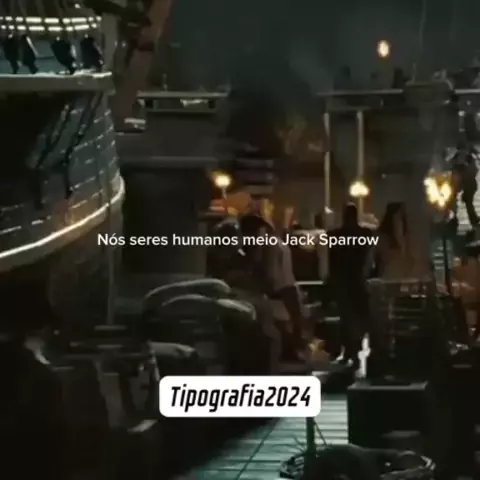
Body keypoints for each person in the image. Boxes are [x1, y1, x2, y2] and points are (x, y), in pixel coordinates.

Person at [239, 213, 311, 360]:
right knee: (292, 323)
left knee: (283, 325)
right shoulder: (276, 242)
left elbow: (271, 274)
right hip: (287, 288)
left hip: (280, 291)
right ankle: (293, 351)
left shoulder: (267, 245)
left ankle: (291, 351)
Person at [328, 204, 375, 368]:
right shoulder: (366, 234)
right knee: (359, 317)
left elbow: (332, 261)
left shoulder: (334, 235)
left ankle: (349, 351)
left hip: (343, 280)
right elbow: (369, 258)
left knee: (346, 317)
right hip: (358, 279)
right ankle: (354, 350)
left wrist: (331, 280)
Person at [451, 140, 479, 229]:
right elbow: (451, 169)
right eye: (460, 150)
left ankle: (474, 220)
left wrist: (465, 169)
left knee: (468, 201)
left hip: (469, 183)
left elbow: (474, 171)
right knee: (452, 200)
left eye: (463, 150)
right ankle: (453, 219)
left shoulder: (469, 158)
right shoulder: (455, 158)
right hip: (458, 183)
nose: (462, 152)